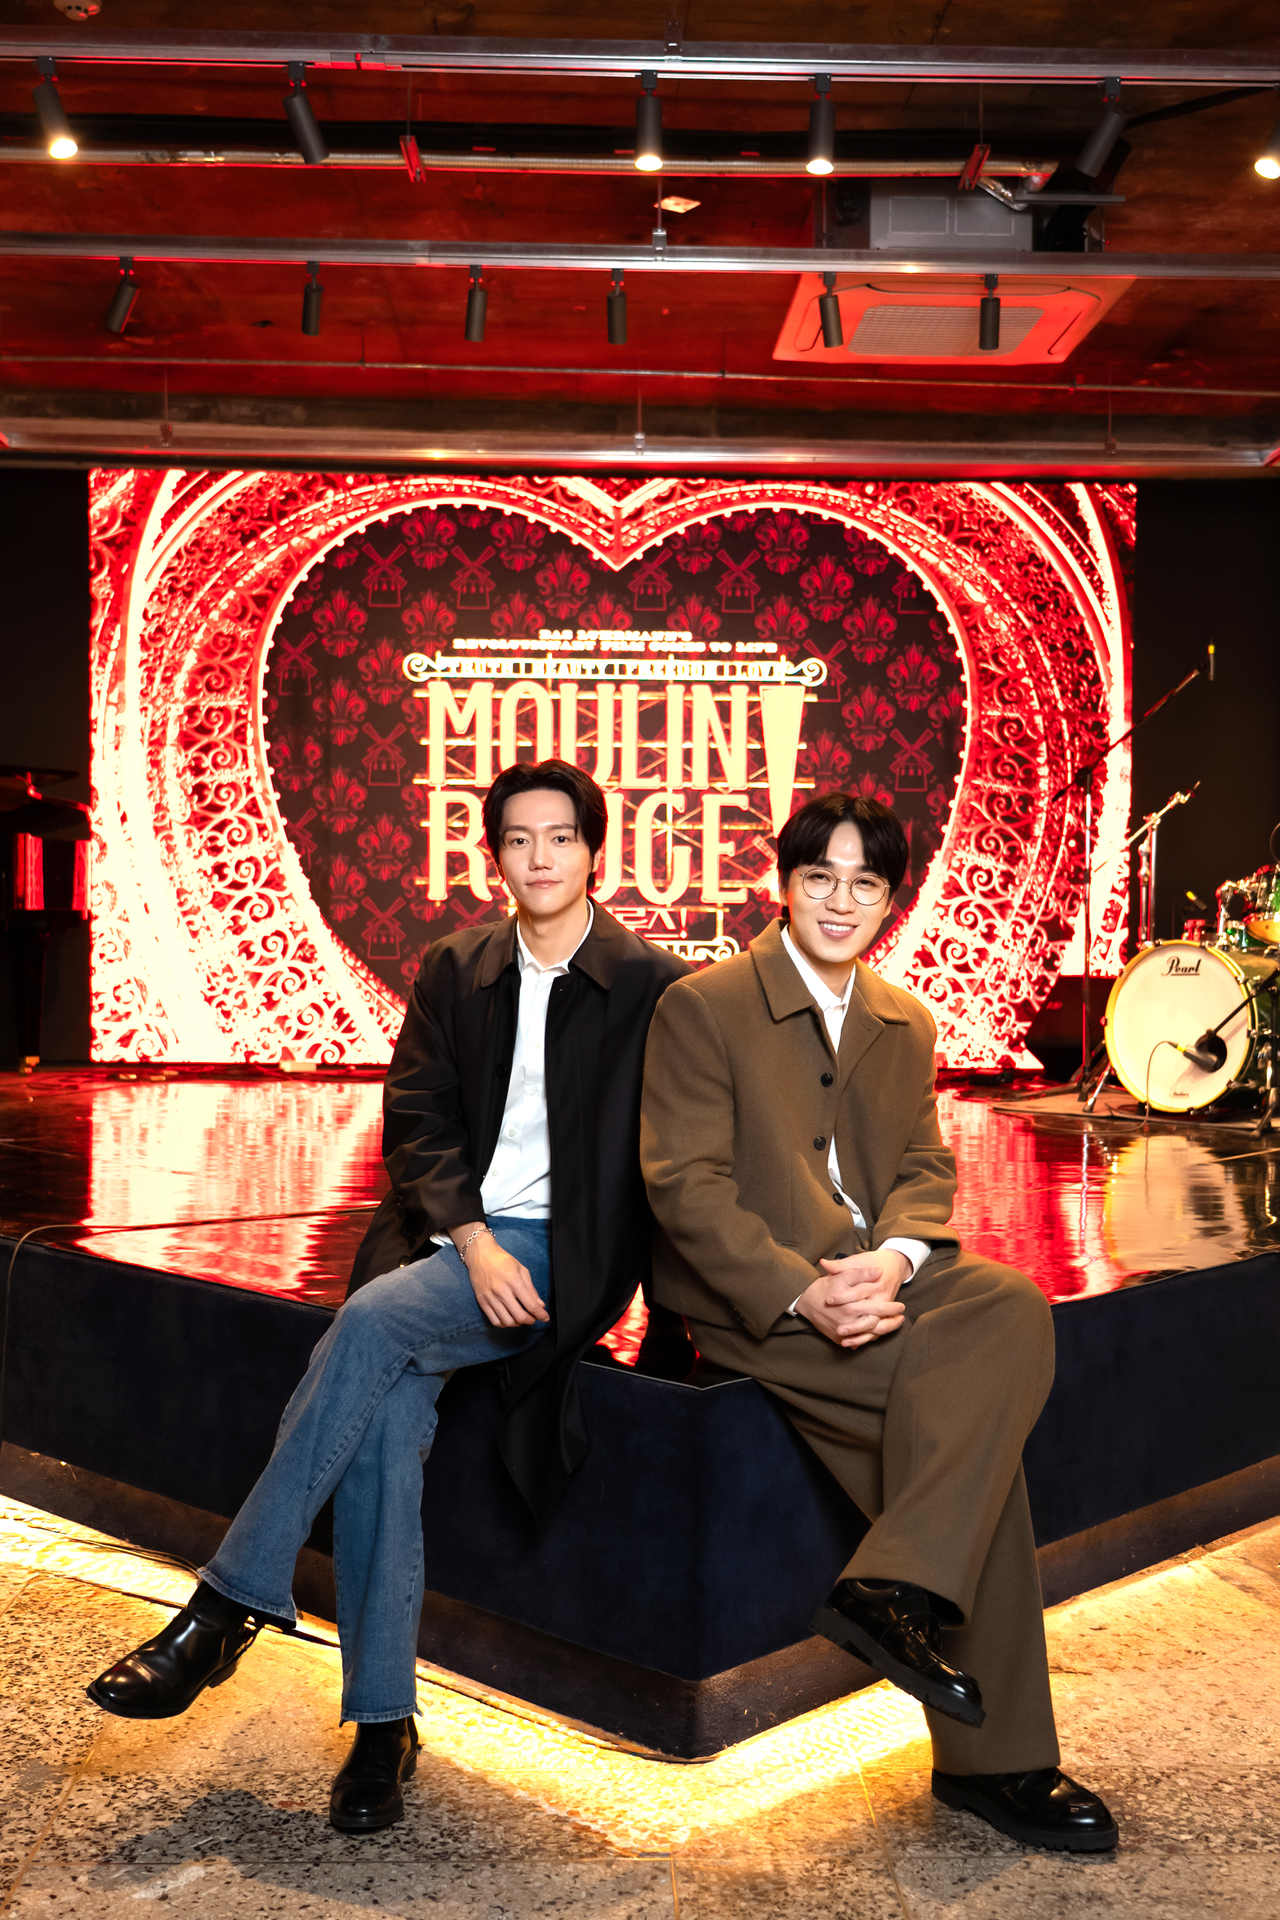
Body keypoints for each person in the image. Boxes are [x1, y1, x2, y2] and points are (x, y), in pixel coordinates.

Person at [87, 760, 688, 1832]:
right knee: (378, 1432)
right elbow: (416, 1127)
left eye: (559, 838)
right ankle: (382, 1722)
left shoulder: (649, 984)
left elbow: (670, 1159)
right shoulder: (456, 967)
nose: (538, 857)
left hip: (566, 1255)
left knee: (365, 1323)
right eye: (516, 839)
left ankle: (224, 1607)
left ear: (595, 852)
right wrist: (470, 1241)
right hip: (449, 1240)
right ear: (492, 852)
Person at [639, 791, 1117, 1854]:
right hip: (754, 1305)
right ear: (785, 883)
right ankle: (998, 1763)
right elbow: (684, 1185)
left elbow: (918, 1167)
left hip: (877, 1281)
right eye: (819, 877)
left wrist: (896, 1259)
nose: (838, 900)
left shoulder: (906, 1019)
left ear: (888, 899)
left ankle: (888, 1587)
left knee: (1004, 1302)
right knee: (980, 1453)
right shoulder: (704, 1004)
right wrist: (800, 1288)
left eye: (863, 883)